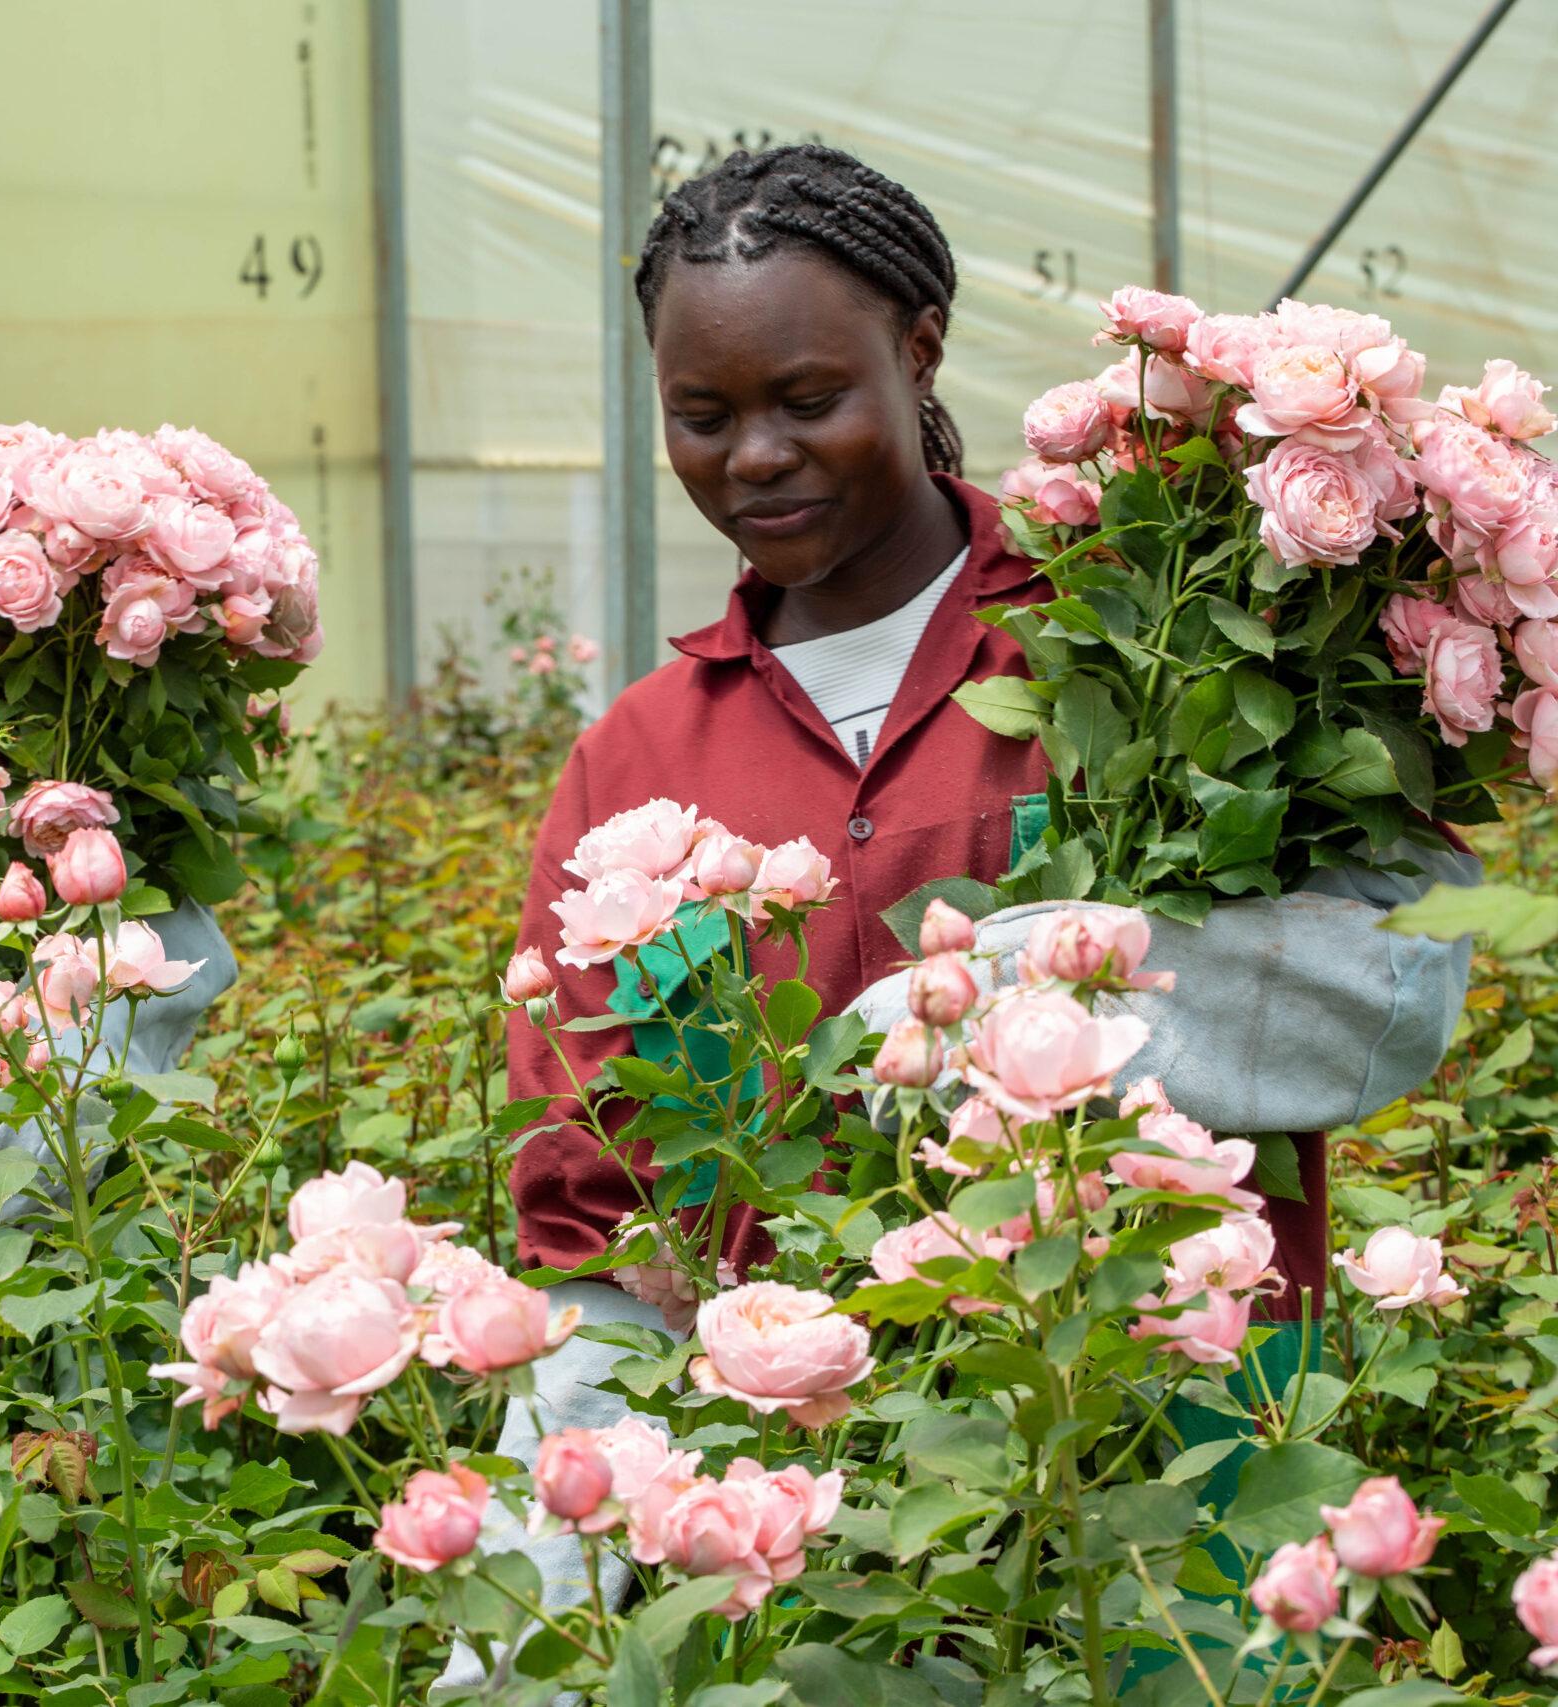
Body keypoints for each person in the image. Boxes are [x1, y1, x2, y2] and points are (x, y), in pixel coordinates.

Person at [449, 143, 1471, 1688]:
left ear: (918, 348)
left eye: (808, 400)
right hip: (787, 1520)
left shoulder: (1147, 650)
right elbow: (586, 1186)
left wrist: (1017, 1003)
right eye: (702, 417)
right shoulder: (640, 762)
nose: (756, 459)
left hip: (1155, 1465)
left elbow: (1365, 971)